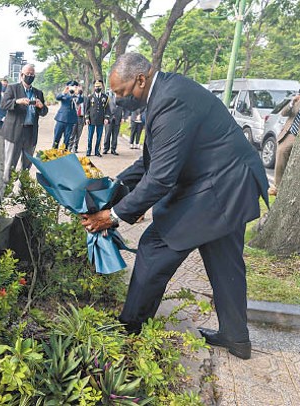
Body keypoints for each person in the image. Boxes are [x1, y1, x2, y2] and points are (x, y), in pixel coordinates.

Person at [80, 53, 268, 360]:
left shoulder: (170, 101)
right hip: (229, 184)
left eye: (121, 93)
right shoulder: (166, 92)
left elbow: (161, 178)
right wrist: (113, 189)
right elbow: (150, 162)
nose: (119, 100)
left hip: (220, 188)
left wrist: (113, 216)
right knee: (225, 263)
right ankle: (237, 339)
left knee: (155, 245)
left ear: (140, 79)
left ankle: (131, 329)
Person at [0, 64, 48, 182]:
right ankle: (6, 190)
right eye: (28, 74)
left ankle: (23, 190)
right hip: (14, 132)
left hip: (30, 133)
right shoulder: (13, 88)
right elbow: (3, 104)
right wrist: (17, 101)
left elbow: (44, 112)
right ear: (22, 75)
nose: (30, 76)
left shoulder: (38, 93)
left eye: (32, 74)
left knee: (26, 165)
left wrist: (41, 106)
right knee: (10, 164)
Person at [269, 93, 300, 196]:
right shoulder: (296, 101)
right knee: (281, 151)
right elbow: (283, 113)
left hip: (296, 135)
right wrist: (292, 102)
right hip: (289, 132)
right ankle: (277, 186)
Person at [85, 79, 110, 156]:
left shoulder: (105, 97)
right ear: (94, 87)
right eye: (96, 86)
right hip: (91, 119)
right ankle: (89, 150)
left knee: (99, 137)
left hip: (101, 119)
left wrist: (106, 118)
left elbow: (107, 109)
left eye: (99, 86)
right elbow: (87, 108)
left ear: (101, 87)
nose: (97, 88)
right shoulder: (90, 97)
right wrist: (86, 118)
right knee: (90, 136)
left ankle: (97, 151)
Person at [52, 80, 80, 149]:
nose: (72, 88)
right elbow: (57, 98)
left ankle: (64, 154)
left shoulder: (77, 96)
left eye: (74, 86)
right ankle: (53, 153)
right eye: (71, 86)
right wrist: (64, 92)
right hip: (61, 119)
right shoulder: (64, 95)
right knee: (56, 138)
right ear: (68, 87)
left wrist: (78, 92)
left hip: (70, 121)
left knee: (67, 140)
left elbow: (80, 101)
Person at [68, 87, 85, 153]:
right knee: (72, 134)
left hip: (81, 118)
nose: (80, 91)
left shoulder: (85, 99)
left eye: (81, 90)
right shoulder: (73, 98)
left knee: (78, 134)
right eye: (78, 90)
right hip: (73, 118)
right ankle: (69, 148)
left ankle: (75, 148)